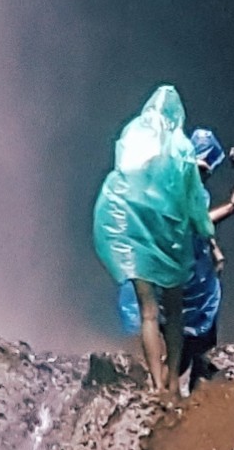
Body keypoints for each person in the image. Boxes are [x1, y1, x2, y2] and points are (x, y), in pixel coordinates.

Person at [92, 84, 214, 398]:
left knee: (148, 313)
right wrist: (206, 231)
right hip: (171, 242)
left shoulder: (132, 139)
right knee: (175, 313)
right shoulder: (182, 148)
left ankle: (156, 381)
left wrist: (117, 233)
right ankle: (173, 380)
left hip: (137, 243)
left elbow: (119, 188)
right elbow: (193, 200)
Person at [175, 126, 234, 396]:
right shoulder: (179, 190)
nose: (203, 175)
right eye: (199, 168)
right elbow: (197, 222)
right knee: (183, 337)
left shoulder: (196, 191)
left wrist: (214, 248)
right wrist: (230, 208)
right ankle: (168, 390)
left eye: (206, 170)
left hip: (199, 271)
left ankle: (195, 388)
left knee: (203, 337)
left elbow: (202, 225)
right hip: (183, 274)